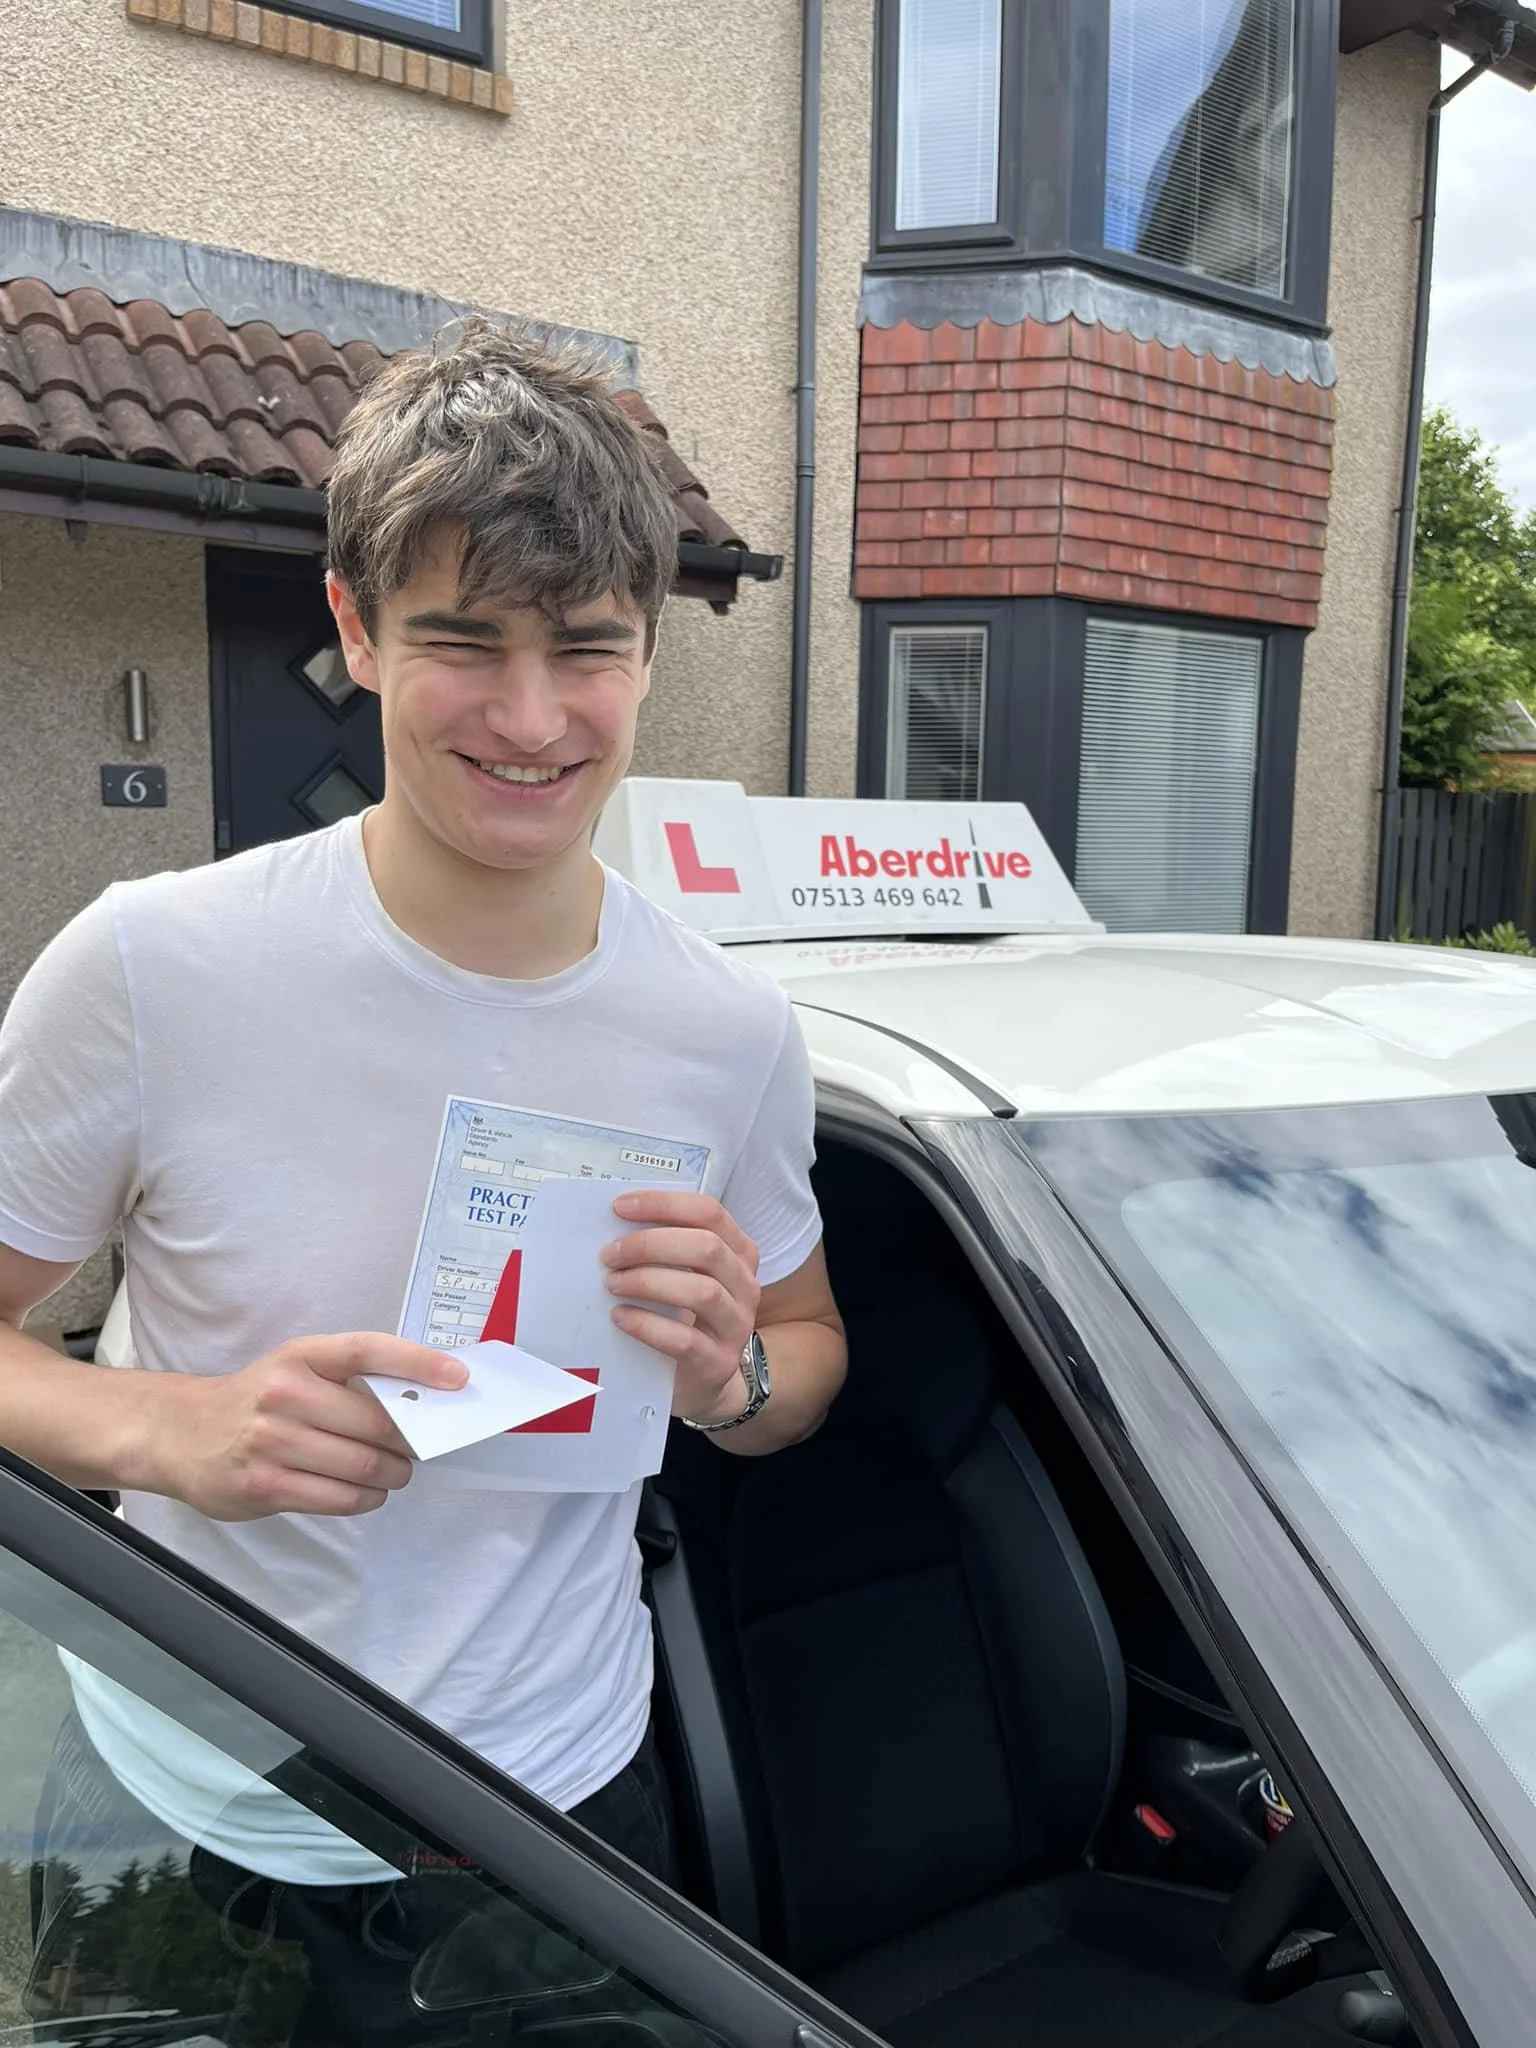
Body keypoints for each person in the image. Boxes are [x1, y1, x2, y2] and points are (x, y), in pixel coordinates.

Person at [0, 323, 847, 2040]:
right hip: (197, 1793)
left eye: (588, 652)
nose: (534, 720)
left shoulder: (733, 1029)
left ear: (651, 648)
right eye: (466, 644)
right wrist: (169, 1435)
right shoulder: (156, 967)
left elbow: (802, 1354)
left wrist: (732, 1374)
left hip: (567, 1814)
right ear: (356, 632)